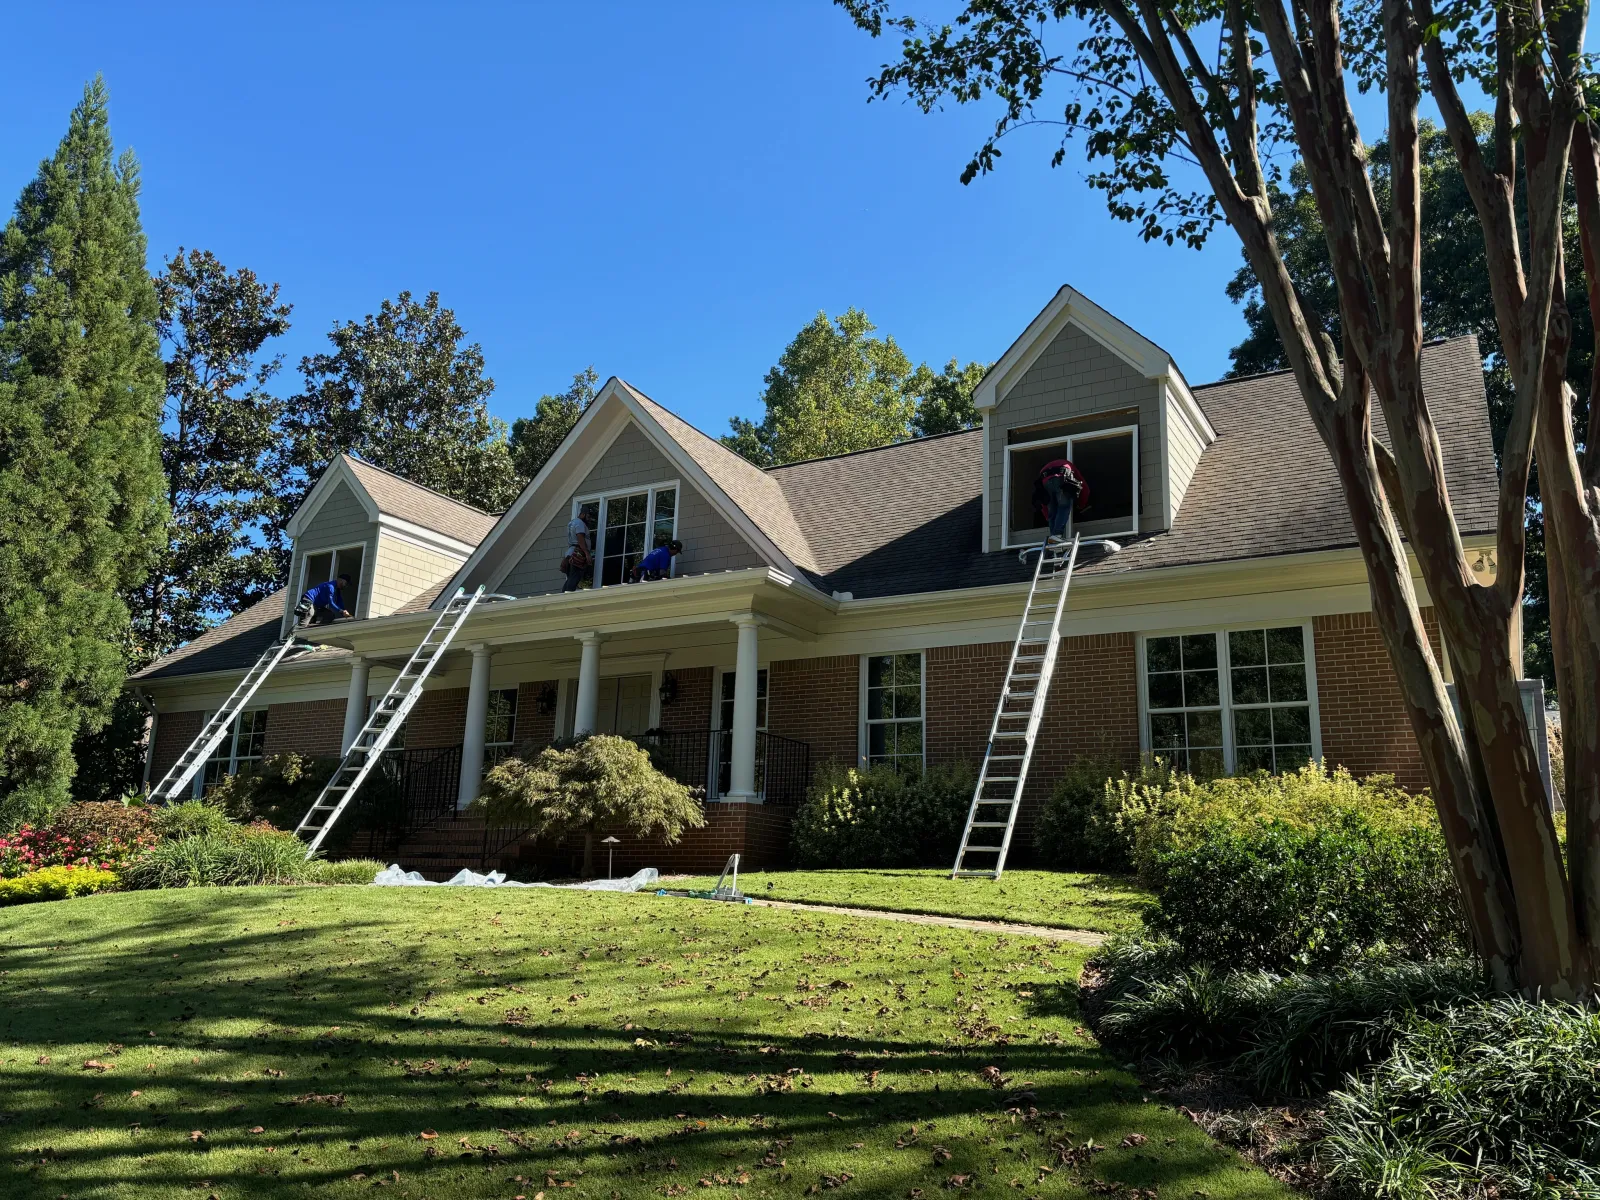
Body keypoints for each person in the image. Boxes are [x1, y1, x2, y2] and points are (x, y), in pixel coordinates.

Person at [1033, 457, 1090, 543]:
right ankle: (1057, 535)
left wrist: (1047, 516)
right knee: (1064, 506)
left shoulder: (1049, 467)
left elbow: (1045, 501)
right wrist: (1081, 504)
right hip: (1061, 476)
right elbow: (1084, 488)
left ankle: (1054, 538)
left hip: (1045, 480)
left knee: (1052, 512)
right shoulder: (1069, 465)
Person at [562, 507, 594, 592]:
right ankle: (567, 596)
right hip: (577, 553)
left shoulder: (572, 522)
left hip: (570, 552)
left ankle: (564, 594)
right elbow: (580, 538)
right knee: (575, 576)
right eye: (588, 516)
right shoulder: (580, 523)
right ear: (583, 514)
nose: (589, 519)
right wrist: (587, 553)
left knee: (571, 577)